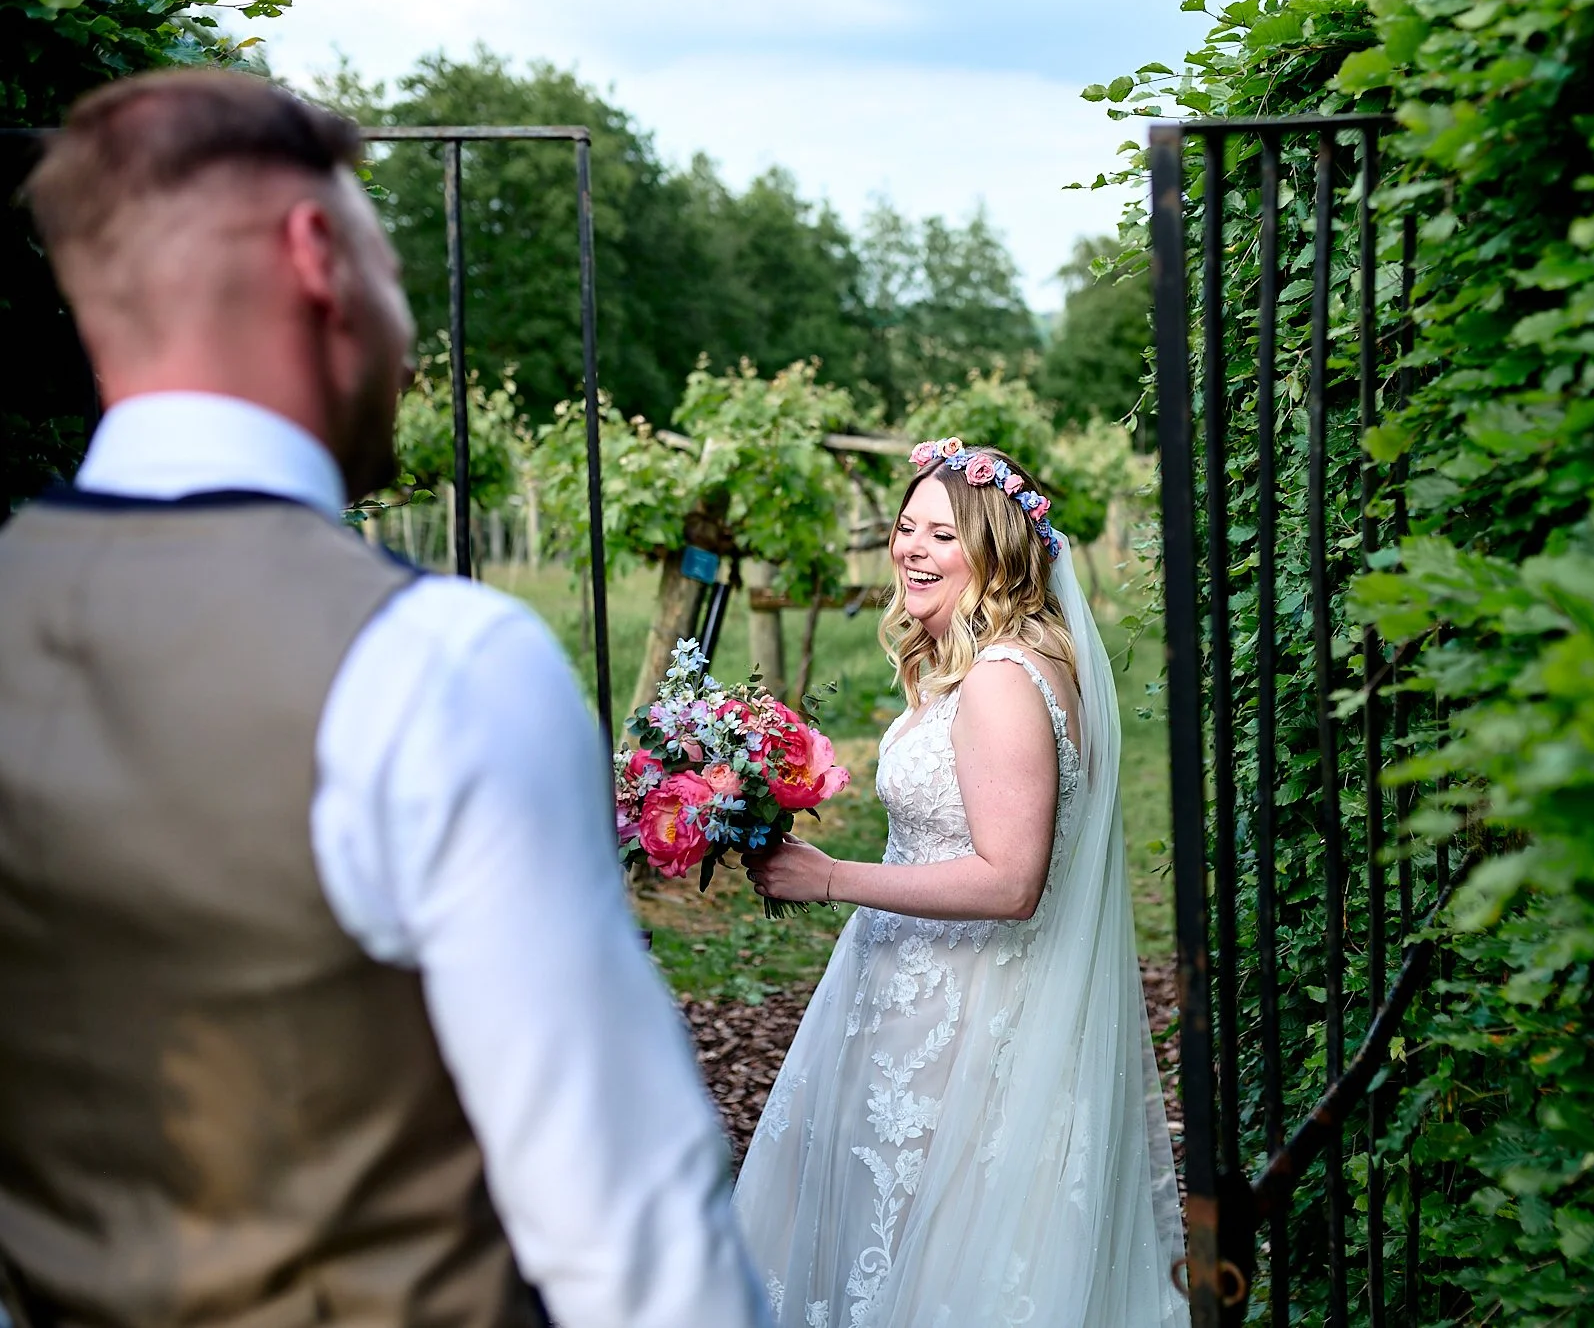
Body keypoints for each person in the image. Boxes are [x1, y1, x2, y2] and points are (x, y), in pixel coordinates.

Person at [0, 70, 767, 1328]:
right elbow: (634, 1251)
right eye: (392, 266)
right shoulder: (436, 664)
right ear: (318, 256)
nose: (406, 335)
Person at [737, 439, 1189, 1326]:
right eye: (906, 527)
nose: (911, 547)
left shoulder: (999, 682)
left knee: (930, 1259)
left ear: (993, 552)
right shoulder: (996, 665)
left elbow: (1011, 879)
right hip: (917, 1000)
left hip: (963, 1022)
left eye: (941, 534)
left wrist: (830, 877)